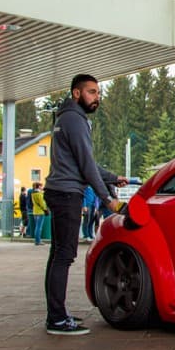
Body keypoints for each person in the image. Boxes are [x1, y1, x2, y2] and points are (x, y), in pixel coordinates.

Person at [43, 74, 128, 335]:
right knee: (64, 256)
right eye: (91, 92)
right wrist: (108, 199)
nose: (97, 98)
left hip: (59, 191)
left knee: (57, 256)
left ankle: (55, 315)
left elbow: (84, 163)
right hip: (68, 194)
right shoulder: (76, 120)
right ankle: (57, 319)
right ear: (76, 94)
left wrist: (113, 178)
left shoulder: (64, 119)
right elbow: (86, 166)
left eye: (98, 93)